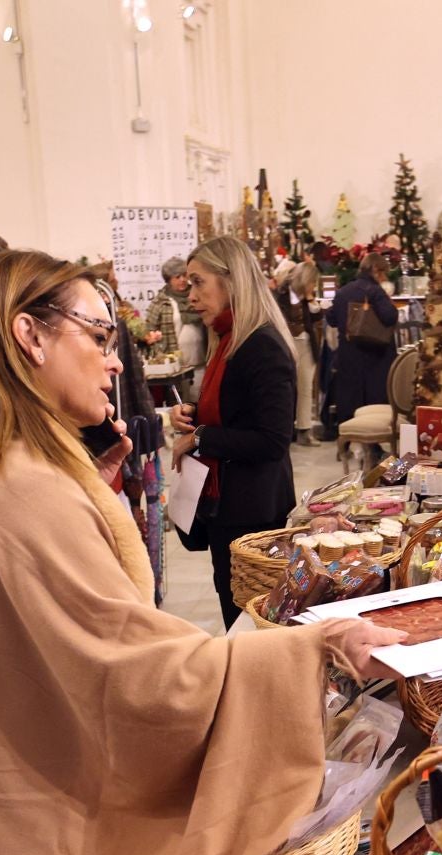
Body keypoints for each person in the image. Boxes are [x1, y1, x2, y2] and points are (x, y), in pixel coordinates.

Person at [0, 249, 400, 855]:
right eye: (98, 334)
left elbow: (25, 618)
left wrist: (90, 496)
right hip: (15, 815)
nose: (115, 360)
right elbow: (127, 668)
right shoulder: (18, 481)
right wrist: (308, 647)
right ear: (30, 335)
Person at [164, 236, 302, 628]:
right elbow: (236, 412)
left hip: (252, 513)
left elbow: (272, 439)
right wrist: (192, 415)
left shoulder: (260, 345)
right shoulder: (229, 339)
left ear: (231, 280)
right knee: (236, 613)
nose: (191, 295)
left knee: (249, 622)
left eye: (197, 282)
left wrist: (201, 437)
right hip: (231, 507)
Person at [325, 252, 399, 428]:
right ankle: (373, 445)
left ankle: (350, 442)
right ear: (375, 269)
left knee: (350, 400)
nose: (384, 277)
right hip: (374, 357)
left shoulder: (343, 292)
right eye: (383, 272)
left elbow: (331, 318)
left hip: (348, 356)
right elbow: (390, 317)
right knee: (373, 402)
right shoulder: (375, 291)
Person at [279, 259, 326, 445]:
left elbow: (315, 317)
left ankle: (304, 431)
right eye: (312, 281)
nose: (313, 285)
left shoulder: (307, 296)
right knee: (287, 389)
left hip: (306, 344)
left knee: (306, 388)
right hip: (287, 346)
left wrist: (311, 301)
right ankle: (286, 430)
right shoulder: (282, 294)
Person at [143, 255, 205, 371]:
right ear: (169, 280)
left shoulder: (199, 296)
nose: (182, 279)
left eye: (184, 275)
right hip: (174, 365)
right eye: (177, 277)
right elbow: (149, 331)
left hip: (201, 361)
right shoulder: (161, 302)